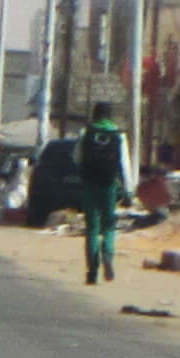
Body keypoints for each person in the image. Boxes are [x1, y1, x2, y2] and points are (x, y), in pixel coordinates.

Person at [77, 105, 129, 286]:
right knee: (108, 225)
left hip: (89, 184)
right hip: (109, 185)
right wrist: (128, 190)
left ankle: (92, 271)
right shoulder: (118, 134)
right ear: (110, 116)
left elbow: (76, 158)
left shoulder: (86, 132)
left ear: (95, 115)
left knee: (92, 227)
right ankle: (107, 253)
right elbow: (124, 164)